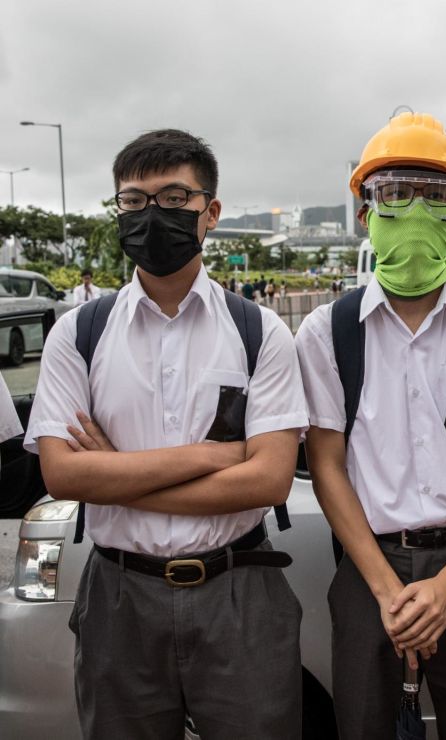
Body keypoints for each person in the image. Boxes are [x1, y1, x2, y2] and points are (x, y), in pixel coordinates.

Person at [24, 129, 308, 739]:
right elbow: (64, 474)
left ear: (210, 213)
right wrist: (207, 456)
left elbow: (271, 478)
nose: (152, 214)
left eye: (174, 198)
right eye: (133, 200)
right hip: (119, 595)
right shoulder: (78, 335)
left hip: (240, 590)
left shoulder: (261, 333)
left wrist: (117, 477)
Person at [296, 111, 446, 739]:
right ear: (363, 211)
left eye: (437, 196)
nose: (417, 211)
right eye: (395, 193)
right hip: (368, 566)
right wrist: (385, 590)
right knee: (366, 726)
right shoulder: (329, 332)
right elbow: (325, 464)